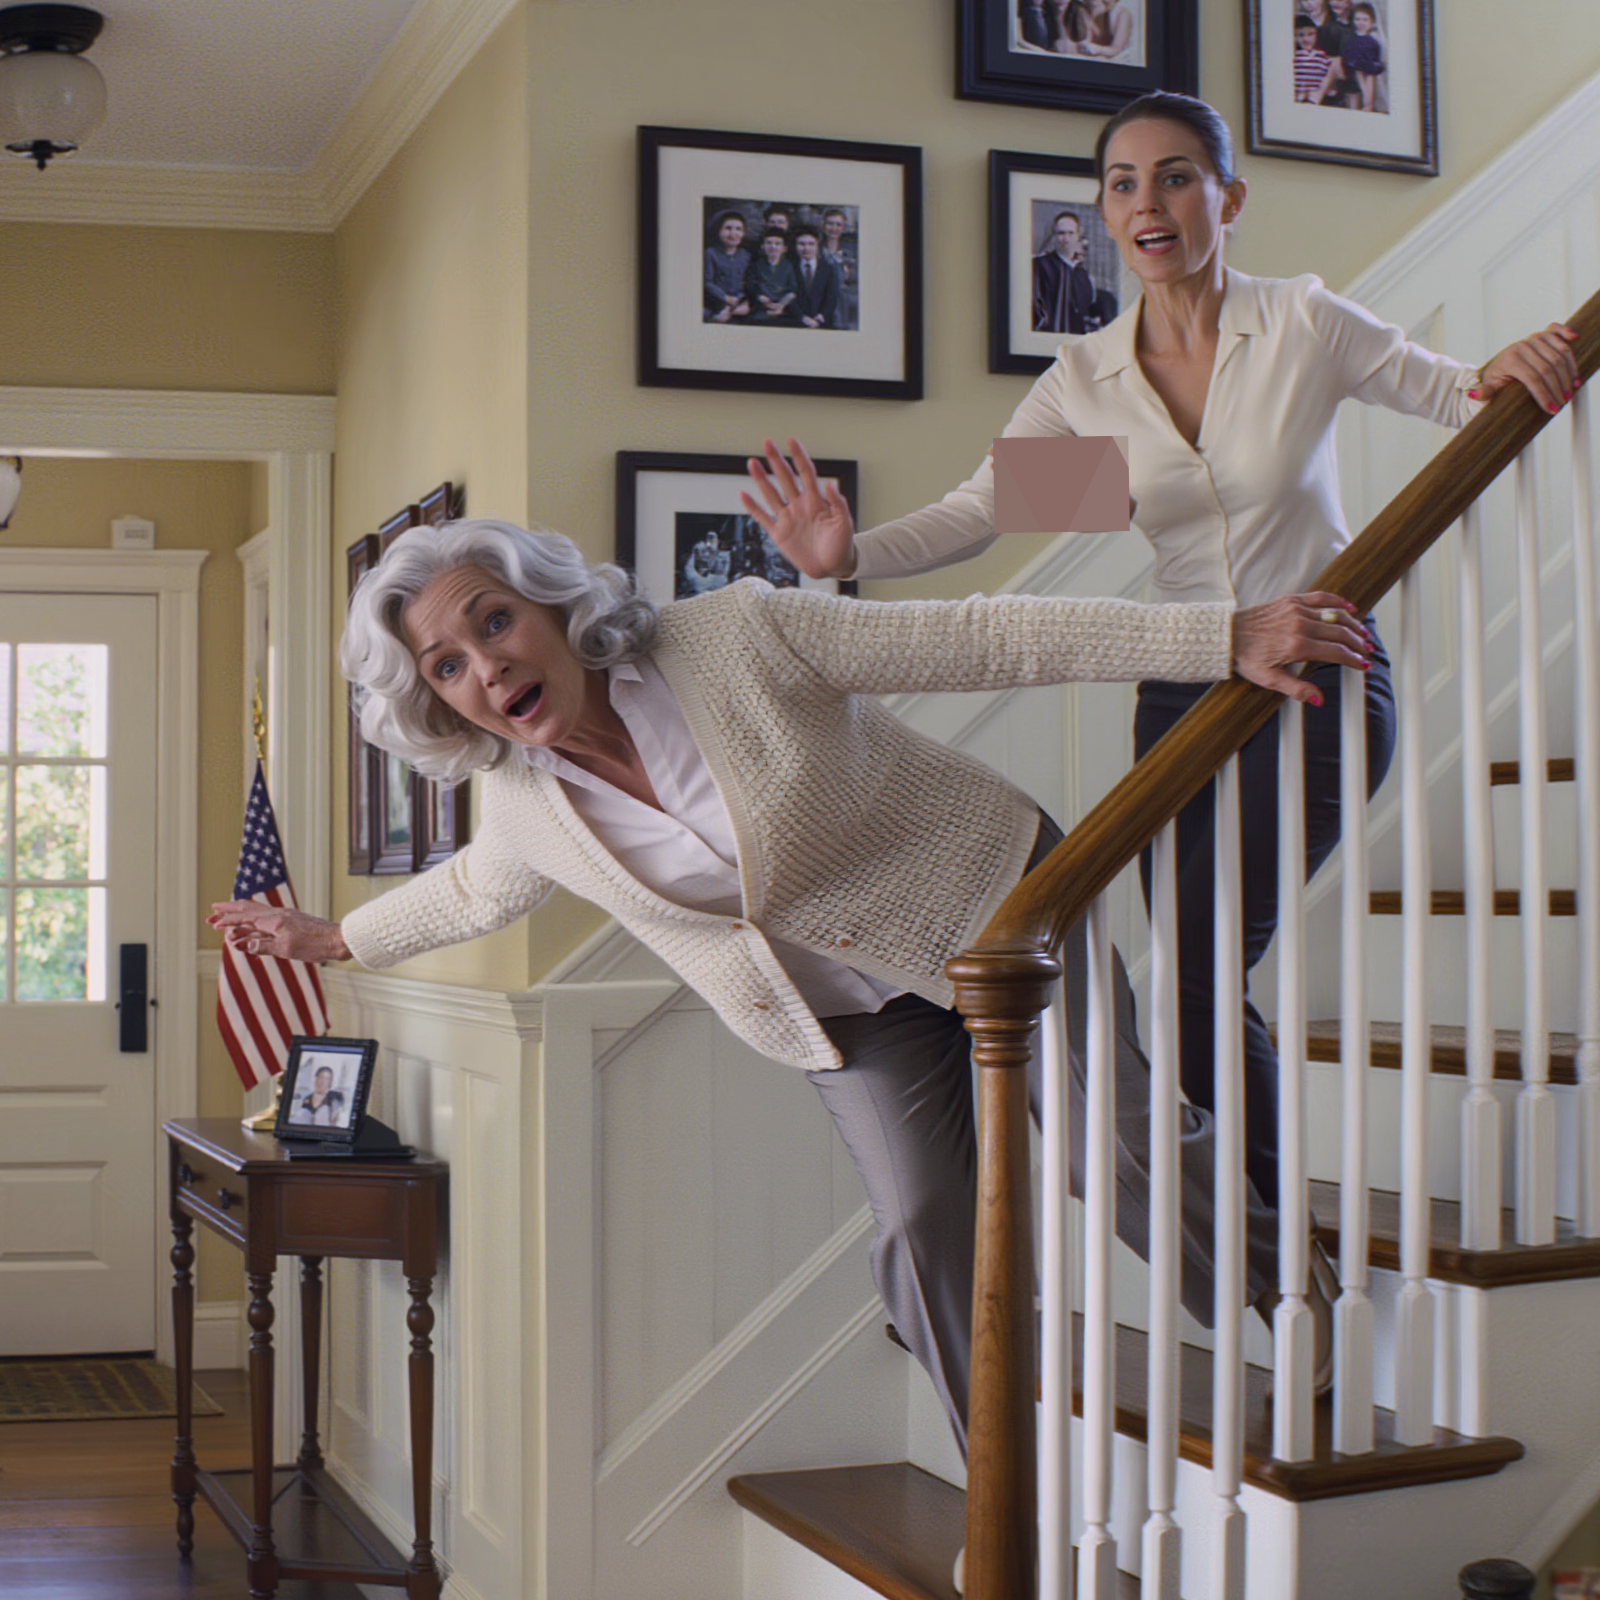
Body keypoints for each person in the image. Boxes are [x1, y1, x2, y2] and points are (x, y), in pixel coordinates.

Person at [210, 519, 1366, 1509]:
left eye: (493, 621)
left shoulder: (736, 634)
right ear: (435, 698)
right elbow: (470, 888)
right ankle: (1011, 1508)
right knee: (924, 1227)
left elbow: (980, 638)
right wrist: (335, 939)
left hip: (985, 905)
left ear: (553, 606)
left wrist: (1221, 634)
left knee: (1105, 1145)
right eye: (447, 664)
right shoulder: (522, 806)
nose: (482, 666)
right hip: (846, 1012)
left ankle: (1294, 1303)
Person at [740, 91, 1579, 1256]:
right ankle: (1248, 1230)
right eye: (1125, 183)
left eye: (1177, 176)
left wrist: (1523, 357)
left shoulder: (1298, 323)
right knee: (1186, 973)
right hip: (1184, 684)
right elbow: (983, 514)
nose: (1151, 202)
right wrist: (848, 557)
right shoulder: (1088, 385)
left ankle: (1271, 1245)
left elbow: (1454, 394)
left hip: (1322, 674)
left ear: (1226, 199)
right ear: (1101, 215)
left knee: (1195, 959)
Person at [1032, 209, 1116, 335]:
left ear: (1078, 236)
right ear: (1054, 237)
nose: (1066, 239)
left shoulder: (1083, 276)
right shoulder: (1040, 266)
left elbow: (1085, 311)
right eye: (1061, 233)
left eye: (1070, 233)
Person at [703, 211, 751, 323]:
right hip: (716, 303)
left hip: (740, 304)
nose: (733, 233)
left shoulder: (746, 255)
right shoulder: (710, 253)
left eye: (738, 229)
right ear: (719, 231)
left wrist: (742, 300)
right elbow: (707, 282)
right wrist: (726, 298)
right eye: (728, 228)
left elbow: (749, 282)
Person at [791, 226, 840, 330]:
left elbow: (832, 295)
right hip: (796, 322)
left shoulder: (828, 268)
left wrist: (821, 317)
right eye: (801, 244)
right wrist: (802, 317)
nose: (806, 248)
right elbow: (789, 296)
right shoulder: (789, 267)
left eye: (811, 244)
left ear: (818, 246)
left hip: (823, 323)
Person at [746, 229, 799, 325]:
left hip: (783, 309)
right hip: (761, 308)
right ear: (763, 247)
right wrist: (763, 299)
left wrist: (781, 305)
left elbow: (792, 289)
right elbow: (751, 286)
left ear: (784, 248)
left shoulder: (789, 266)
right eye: (769, 243)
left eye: (778, 244)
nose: (773, 247)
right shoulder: (756, 265)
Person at [1341, 2, 1385, 111]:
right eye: (1358, 19)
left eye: (1365, 20)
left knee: (1370, 77)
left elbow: (1372, 69)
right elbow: (1352, 64)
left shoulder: (1373, 43)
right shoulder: (1351, 39)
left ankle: (1368, 105)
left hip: (1368, 74)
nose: (1361, 23)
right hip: (1352, 77)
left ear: (1372, 22)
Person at [819, 208, 858, 331]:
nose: (834, 228)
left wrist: (850, 274)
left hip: (845, 303)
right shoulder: (817, 248)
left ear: (843, 227)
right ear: (824, 225)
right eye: (830, 223)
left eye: (838, 224)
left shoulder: (851, 250)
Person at [1294, 13, 1335, 103]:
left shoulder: (1321, 55)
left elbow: (1329, 72)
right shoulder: (1294, 55)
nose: (1306, 39)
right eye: (1301, 35)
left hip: (1315, 97)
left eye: (1310, 34)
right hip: (1298, 96)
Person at [294, 1064, 346, 1129]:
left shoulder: (334, 1099)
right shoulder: (306, 1099)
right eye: (320, 1077)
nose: (322, 1081)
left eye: (326, 1079)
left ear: (330, 1082)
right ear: (316, 1079)